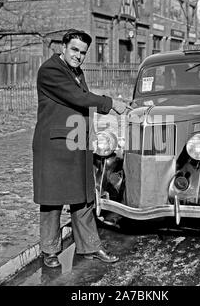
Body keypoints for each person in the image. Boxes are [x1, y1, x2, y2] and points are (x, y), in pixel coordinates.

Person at [32, 29, 129, 268]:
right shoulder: (51, 70)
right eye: (74, 50)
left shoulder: (76, 71)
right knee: (52, 201)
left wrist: (92, 134)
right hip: (54, 146)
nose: (78, 56)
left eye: (83, 52)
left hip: (77, 143)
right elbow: (78, 98)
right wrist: (111, 103)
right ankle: (50, 251)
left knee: (84, 199)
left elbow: (83, 107)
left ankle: (90, 248)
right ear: (63, 47)